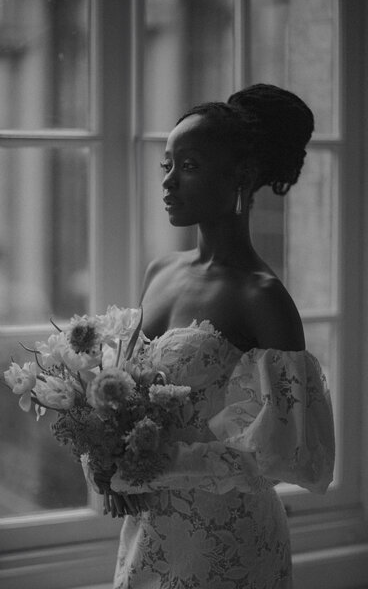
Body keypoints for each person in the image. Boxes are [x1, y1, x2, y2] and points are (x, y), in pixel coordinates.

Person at [110, 84, 335, 589]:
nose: (168, 182)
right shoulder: (158, 272)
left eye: (187, 166)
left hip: (228, 542)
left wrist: (145, 465)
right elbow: (122, 399)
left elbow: (292, 454)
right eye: (166, 165)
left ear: (242, 175)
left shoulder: (263, 298)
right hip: (147, 532)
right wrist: (104, 455)